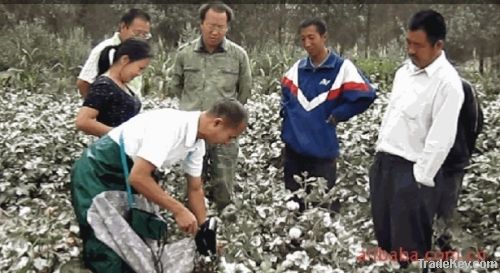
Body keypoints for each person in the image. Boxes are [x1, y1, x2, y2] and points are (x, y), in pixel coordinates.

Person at [70, 98, 248, 272]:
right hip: (97, 171)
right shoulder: (170, 126)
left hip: (127, 172)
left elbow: (195, 189)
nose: (228, 142)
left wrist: (205, 234)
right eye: (230, 136)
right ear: (217, 123)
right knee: (106, 247)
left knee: (134, 243)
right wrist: (178, 210)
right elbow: (138, 178)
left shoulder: (197, 143)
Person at [369, 10, 464, 268]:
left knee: (409, 254)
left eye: (418, 45)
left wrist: (417, 180)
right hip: (384, 167)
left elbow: (441, 139)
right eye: (408, 43)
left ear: (438, 45)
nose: (411, 50)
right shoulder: (404, 73)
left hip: (411, 175)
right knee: (385, 246)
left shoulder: (448, 84)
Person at [280, 18, 376, 212]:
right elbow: (285, 93)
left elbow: (366, 95)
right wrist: (288, 115)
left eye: (312, 38)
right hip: (293, 151)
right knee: (293, 205)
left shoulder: (341, 68)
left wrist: (339, 114)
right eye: (303, 39)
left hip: (321, 151)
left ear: (324, 37)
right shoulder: (298, 69)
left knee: (321, 208)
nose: (307, 43)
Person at [168, 2, 252, 212]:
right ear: (201, 25)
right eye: (211, 25)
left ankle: (223, 221)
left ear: (227, 28)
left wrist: (230, 120)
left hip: (225, 131)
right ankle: (193, 222)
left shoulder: (238, 55)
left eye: (220, 27)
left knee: (224, 182)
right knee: (190, 179)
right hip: (192, 131)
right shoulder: (185, 53)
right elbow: (176, 85)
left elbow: (244, 91)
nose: (215, 31)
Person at [435, 78, 483, 252]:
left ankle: (439, 252)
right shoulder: (420, 84)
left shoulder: (462, 86)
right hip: (437, 157)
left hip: (447, 160)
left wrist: (462, 151)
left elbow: (475, 123)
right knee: (439, 205)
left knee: (441, 206)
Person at [75, 38, 151, 137]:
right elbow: (83, 121)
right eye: (140, 68)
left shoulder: (122, 85)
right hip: (107, 149)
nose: (139, 74)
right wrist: (119, 135)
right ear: (125, 60)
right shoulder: (104, 86)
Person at [77, 8, 151, 99]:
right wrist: (96, 107)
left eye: (145, 35)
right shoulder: (105, 49)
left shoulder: (139, 52)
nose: (140, 38)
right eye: (137, 33)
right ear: (123, 26)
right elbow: (83, 83)